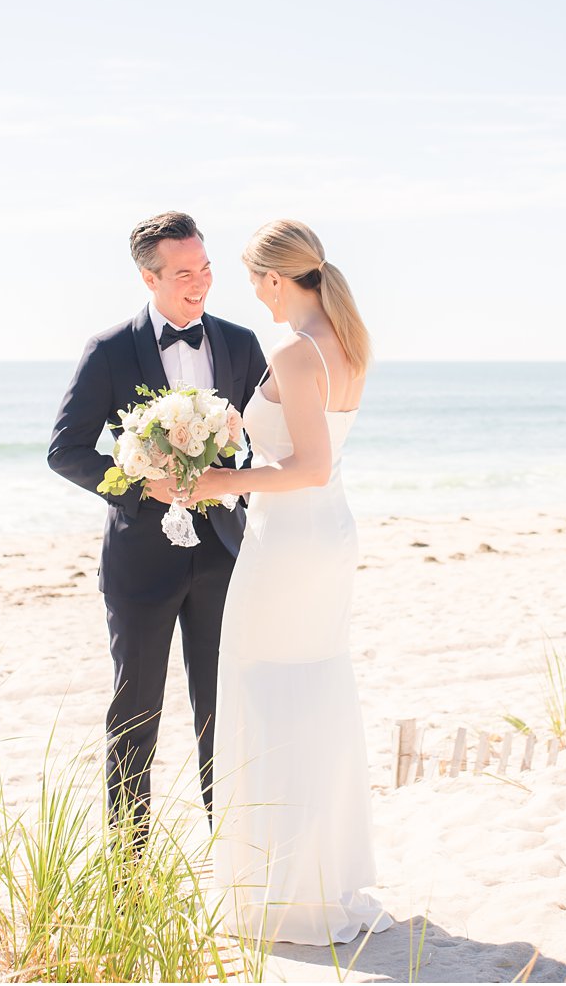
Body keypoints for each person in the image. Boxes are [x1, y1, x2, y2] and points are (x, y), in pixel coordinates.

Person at [192, 220, 393, 945]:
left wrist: (211, 479)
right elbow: (321, 463)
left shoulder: (296, 349)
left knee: (263, 690)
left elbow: (304, 464)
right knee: (311, 690)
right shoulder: (350, 341)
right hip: (325, 532)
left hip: (290, 541)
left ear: (278, 278)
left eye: (254, 279)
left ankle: (284, 892)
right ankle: (315, 876)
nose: (253, 294)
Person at [47, 211, 267, 846]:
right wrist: (144, 483)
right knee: (134, 713)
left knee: (222, 711)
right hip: (140, 559)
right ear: (148, 277)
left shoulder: (240, 344)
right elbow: (68, 452)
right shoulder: (110, 350)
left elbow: (261, 443)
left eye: (205, 269)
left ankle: (233, 860)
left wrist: (244, 491)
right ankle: (131, 868)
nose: (199, 284)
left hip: (224, 553)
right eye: (182, 274)